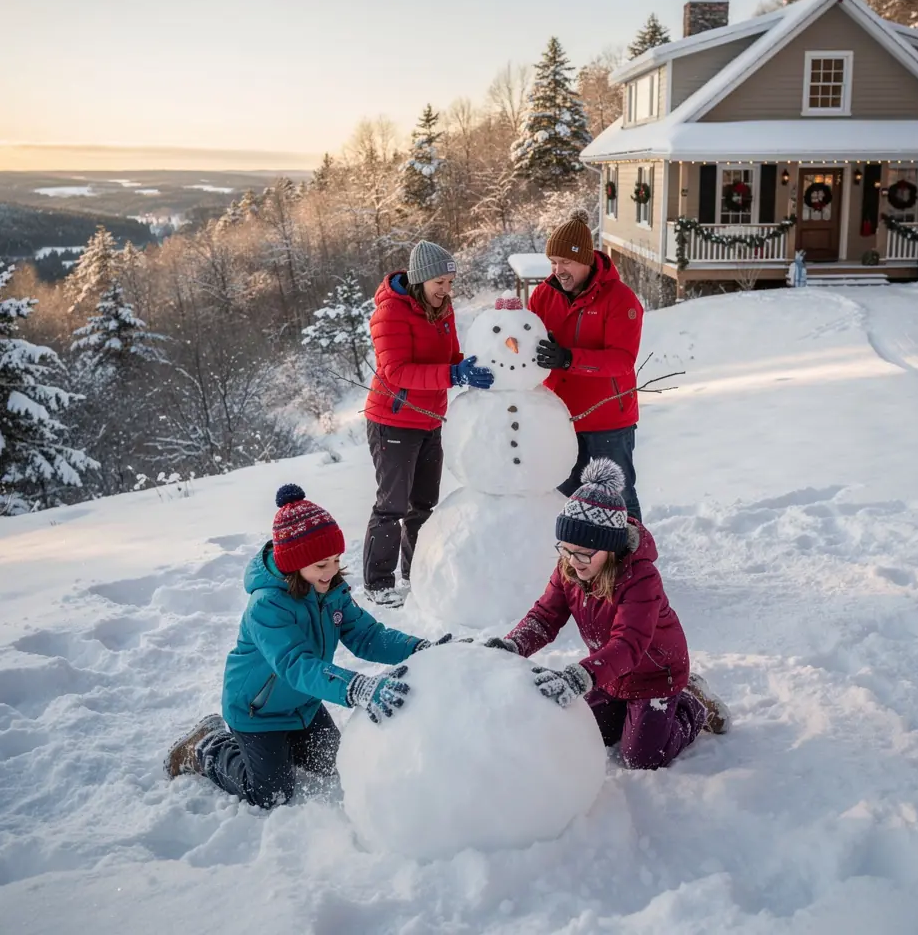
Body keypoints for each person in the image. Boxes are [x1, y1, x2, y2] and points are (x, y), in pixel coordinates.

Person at [164, 484, 455, 809]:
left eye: (335, 559)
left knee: (336, 765)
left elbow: (367, 636)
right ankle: (207, 744)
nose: (332, 571)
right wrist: (356, 687)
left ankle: (283, 746)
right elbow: (296, 665)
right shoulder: (267, 606)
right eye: (320, 565)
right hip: (257, 713)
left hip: (304, 706)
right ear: (293, 564)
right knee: (271, 794)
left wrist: (419, 649)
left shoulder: (331, 590)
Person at [485, 459, 730, 771]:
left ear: (611, 548)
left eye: (584, 553)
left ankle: (692, 703)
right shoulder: (569, 568)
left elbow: (628, 644)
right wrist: (512, 646)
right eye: (566, 549)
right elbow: (544, 617)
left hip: (655, 674)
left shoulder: (641, 578)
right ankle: (629, 711)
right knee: (585, 735)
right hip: (610, 674)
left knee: (641, 757)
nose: (573, 561)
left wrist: (581, 675)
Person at [363, 240, 493, 604]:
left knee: (423, 506)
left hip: (430, 420)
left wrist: (475, 365)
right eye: (440, 283)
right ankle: (378, 583)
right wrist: (453, 374)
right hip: (394, 420)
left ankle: (416, 574)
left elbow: (452, 357)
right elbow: (396, 371)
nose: (446, 291)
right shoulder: (389, 313)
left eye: (450, 283)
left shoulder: (443, 310)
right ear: (421, 281)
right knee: (392, 505)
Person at [529, 209, 644, 522]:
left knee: (617, 499)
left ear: (586, 260)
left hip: (608, 419)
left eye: (565, 262)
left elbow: (621, 361)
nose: (558, 270)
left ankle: (630, 564)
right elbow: (525, 344)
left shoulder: (620, 299)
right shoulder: (542, 295)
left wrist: (568, 358)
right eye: (553, 262)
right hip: (561, 417)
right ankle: (573, 565)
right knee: (564, 498)